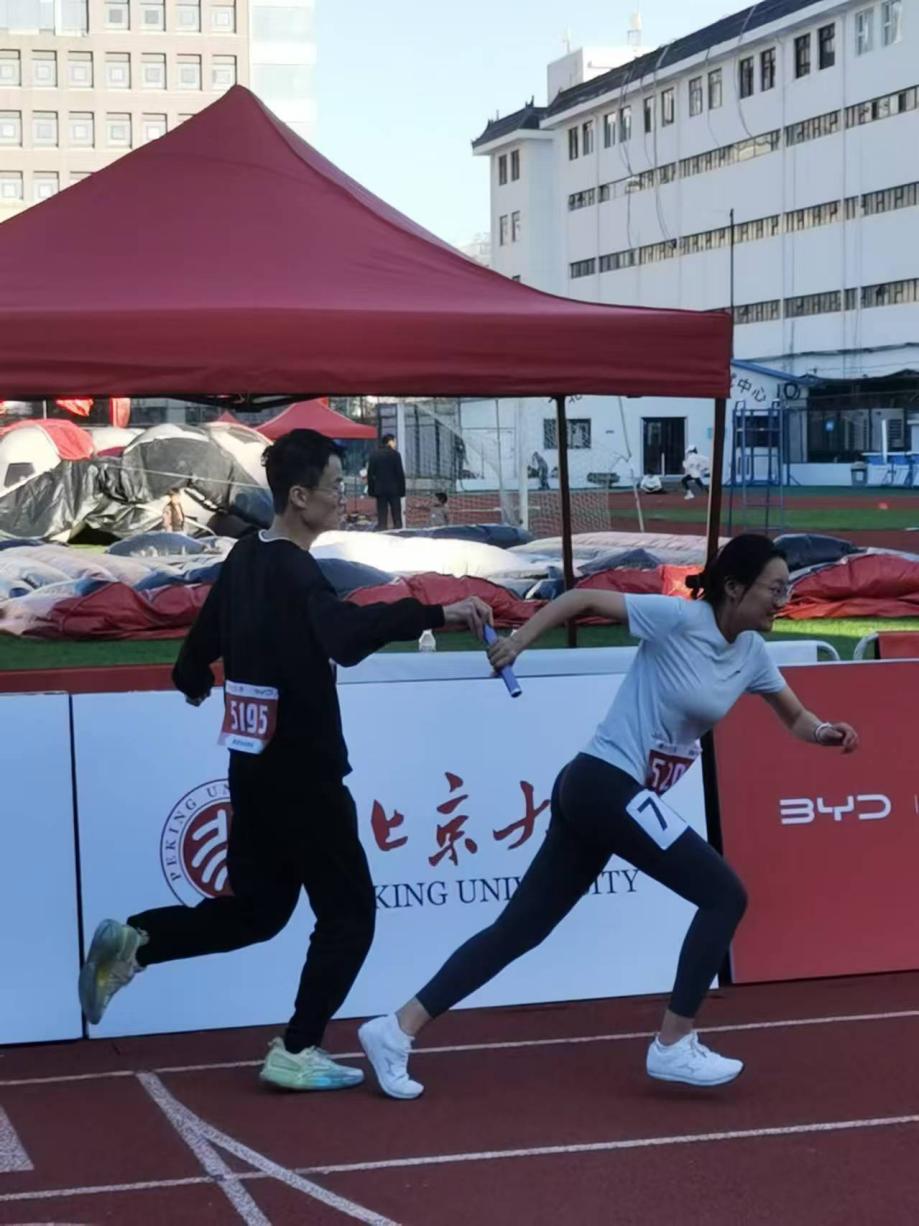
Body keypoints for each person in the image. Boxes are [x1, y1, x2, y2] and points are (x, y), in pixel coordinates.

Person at [359, 534, 858, 1098]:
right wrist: (519, 641)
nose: (783, 601)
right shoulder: (678, 619)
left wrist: (823, 731)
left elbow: (795, 717)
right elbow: (581, 599)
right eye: (775, 589)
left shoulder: (752, 654)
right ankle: (673, 1044)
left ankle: (396, 1030)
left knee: (521, 929)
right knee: (724, 895)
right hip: (602, 784)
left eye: (787, 590)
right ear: (734, 588)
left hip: (606, 796)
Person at [79, 429, 492, 1092]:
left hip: (253, 772)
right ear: (299, 497)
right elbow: (345, 637)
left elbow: (203, 639)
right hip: (304, 775)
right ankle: (297, 1048)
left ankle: (138, 940)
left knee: (259, 913)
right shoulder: (297, 572)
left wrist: (192, 678)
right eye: (335, 486)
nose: (345, 497)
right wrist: (436, 613)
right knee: (349, 916)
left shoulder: (246, 555)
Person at [367, 434, 406, 530]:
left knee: (382, 516)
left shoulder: (375, 455)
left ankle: (382, 530)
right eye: (394, 441)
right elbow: (400, 474)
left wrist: (371, 490)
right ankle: (398, 532)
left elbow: (370, 474)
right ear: (390, 442)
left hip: (380, 489)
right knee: (397, 516)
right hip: (394, 489)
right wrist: (402, 490)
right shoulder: (395, 455)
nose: (395, 444)